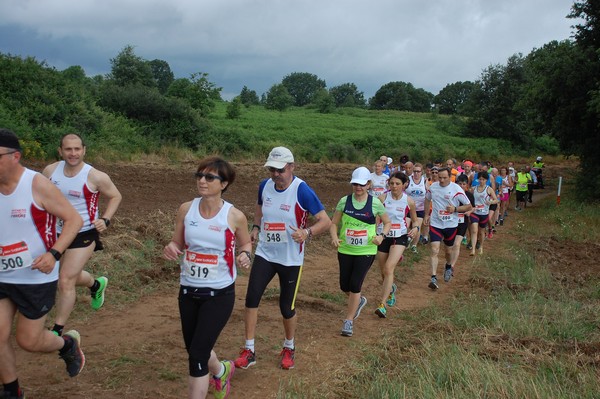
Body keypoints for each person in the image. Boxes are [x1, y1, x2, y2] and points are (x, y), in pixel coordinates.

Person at [0, 128, 85, 399]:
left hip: (36, 276)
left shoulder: (36, 184)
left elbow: (74, 220)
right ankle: (12, 391)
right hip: (3, 275)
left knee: (28, 340)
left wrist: (54, 254)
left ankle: (66, 344)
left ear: (15, 156)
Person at [235, 147, 331, 371]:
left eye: (279, 170)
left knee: (286, 307)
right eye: (271, 169)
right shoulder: (264, 185)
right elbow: (260, 207)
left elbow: (325, 221)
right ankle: (249, 349)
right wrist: (256, 226)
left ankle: (289, 346)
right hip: (266, 253)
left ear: (291, 167)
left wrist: (307, 233)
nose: (275, 174)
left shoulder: (302, 190)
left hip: (290, 259)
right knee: (251, 298)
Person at [163, 156, 252, 399]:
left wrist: (245, 256)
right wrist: (171, 247)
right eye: (199, 176)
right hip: (188, 292)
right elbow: (177, 241)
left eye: (209, 177)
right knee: (194, 349)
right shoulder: (186, 209)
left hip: (219, 295)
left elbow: (245, 244)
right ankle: (222, 370)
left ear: (223, 184)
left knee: (197, 356)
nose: (202, 181)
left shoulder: (234, 216)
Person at [42, 133, 122, 337]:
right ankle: (96, 284)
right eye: (68, 149)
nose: (73, 153)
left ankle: (57, 330)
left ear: (84, 150)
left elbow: (115, 196)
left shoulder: (95, 176)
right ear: (60, 151)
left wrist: (105, 219)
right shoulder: (50, 171)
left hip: (84, 233)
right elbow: (39, 195)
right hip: (56, 232)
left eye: (77, 149)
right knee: (65, 275)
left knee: (65, 280)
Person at [330, 167, 391, 336]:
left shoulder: (375, 203)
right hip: (345, 249)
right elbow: (334, 223)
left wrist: (381, 236)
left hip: (366, 250)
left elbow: (387, 222)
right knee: (345, 285)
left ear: (369, 185)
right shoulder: (344, 201)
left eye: (362, 184)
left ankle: (348, 321)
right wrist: (334, 237)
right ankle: (359, 301)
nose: (358, 187)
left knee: (356, 284)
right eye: (356, 184)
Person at [375, 172, 419, 318]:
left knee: (389, 268)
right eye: (392, 183)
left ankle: (382, 304)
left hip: (399, 237)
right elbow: (375, 218)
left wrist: (415, 228)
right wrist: (375, 233)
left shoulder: (409, 201)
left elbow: (415, 219)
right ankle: (391, 289)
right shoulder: (382, 198)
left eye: (397, 184)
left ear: (404, 185)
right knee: (383, 272)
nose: (394, 186)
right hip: (383, 237)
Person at [423, 167, 472, 289]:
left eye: (445, 178)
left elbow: (468, 206)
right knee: (434, 250)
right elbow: (427, 200)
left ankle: (448, 266)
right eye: (440, 177)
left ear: (450, 176)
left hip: (451, 224)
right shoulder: (433, 187)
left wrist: (455, 209)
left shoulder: (456, 189)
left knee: (448, 251)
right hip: (436, 223)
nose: (442, 180)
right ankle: (433, 277)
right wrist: (426, 215)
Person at [469, 171, 499, 256]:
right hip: (475, 212)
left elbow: (496, 200)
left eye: (483, 179)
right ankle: (473, 249)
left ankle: (481, 246)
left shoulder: (489, 189)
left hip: (484, 213)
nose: (481, 181)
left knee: (481, 231)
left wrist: (491, 202)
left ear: (486, 180)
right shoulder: (474, 189)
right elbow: (468, 198)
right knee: (474, 230)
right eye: (480, 179)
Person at [452, 175, 475, 272]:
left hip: (463, 222)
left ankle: (451, 266)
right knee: (450, 245)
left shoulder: (469, 195)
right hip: (451, 221)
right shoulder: (451, 194)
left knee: (457, 244)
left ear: (467, 185)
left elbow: (473, 207)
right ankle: (449, 261)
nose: (461, 186)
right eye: (459, 184)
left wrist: (469, 212)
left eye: (464, 184)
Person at [406, 163, 429, 250]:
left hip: (420, 208)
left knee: (417, 227)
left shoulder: (425, 181)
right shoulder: (408, 180)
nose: (416, 173)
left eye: (418, 171)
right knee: (406, 225)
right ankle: (408, 239)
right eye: (414, 171)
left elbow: (429, 193)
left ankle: (414, 245)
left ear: (421, 172)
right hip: (408, 207)